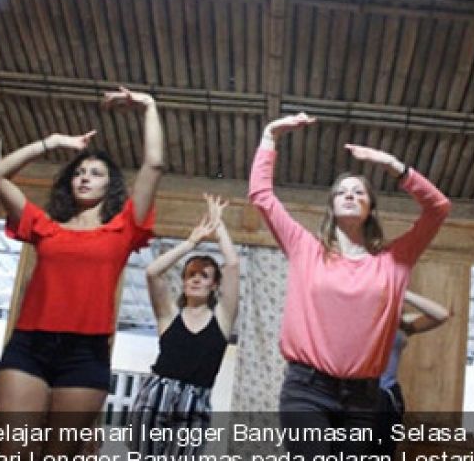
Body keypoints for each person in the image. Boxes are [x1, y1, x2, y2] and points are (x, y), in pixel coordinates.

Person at [248, 112, 451, 458]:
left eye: (359, 192)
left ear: (371, 207)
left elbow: (438, 209)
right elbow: (262, 196)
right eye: (341, 192)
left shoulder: (393, 260)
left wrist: (393, 166)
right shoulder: (305, 248)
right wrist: (270, 136)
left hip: (363, 398)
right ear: (331, 205)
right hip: (307, 389)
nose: (350, 195)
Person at [0, 87, 165, 458]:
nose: (84, 177)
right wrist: (51, 142)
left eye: (95, 173)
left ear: (109, 184)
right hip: (29, 346)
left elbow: (155, 165)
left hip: (86, 352)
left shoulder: (124, 226)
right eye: (79, 172)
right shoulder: (45, 225)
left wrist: (149, 106)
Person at [130, 194, 239, 458]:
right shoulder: (169, 315)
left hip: (196, 403)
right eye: (191, 274)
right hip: (157, 397)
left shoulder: (221, 319)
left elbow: (233, 265)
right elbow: (152, 273)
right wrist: (191, 242)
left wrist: (218, 224)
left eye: (204, 275)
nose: (196, 279)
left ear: (214, 285)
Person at [372, 290, 452, 458]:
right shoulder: (359, 316)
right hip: (358, 394)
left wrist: (402, 291)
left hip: (387, 396)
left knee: (383, 451)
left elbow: (442, 314)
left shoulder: (401, 323)